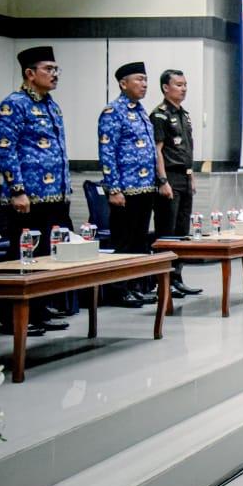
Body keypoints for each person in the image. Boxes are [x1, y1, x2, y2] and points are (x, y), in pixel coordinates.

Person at [0, 46, 73, 334]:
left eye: (56, 69)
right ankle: (13, 316)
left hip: (54, 196)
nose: (54, 74)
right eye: (48, 69)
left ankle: (38, 310)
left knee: (47, 256)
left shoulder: (51, 105)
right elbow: (6, 149)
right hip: (28, 196)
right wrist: (17, 190)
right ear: (29, 73)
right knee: (22, 256)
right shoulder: (14, 104)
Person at [98, 62, 158, 306]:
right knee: (123, 241)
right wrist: (113, 188)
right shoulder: (113, 111)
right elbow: (107, 152)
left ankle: (136, 286)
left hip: (145, 187)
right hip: (125, 189)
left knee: (139, 240)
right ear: (123, 83)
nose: (144, 84)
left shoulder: (141, 111)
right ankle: (119, 289)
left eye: (146, 79)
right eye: (139, 79)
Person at [150, 69, 202, 297]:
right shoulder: (159, 115)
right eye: (179, 85)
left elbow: (187, 149)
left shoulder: (184, 115)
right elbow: (157, 150)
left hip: (184, 177)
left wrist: (192, 176)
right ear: (165, 87)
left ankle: (177, 278)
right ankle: (163, 281)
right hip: (169, 178)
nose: (184, 89)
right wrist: (162, 180)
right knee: (167, 232)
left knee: (182, 232)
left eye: (185, 85)